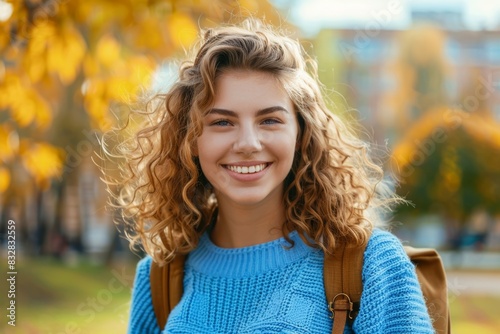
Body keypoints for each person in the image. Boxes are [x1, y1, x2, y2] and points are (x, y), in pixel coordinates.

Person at [107, 19, 434, 333]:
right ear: (190, 139)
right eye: (222, 122)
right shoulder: (160, 277)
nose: (248, 144)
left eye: (269, 120)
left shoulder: (370, 264)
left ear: (301, 133)